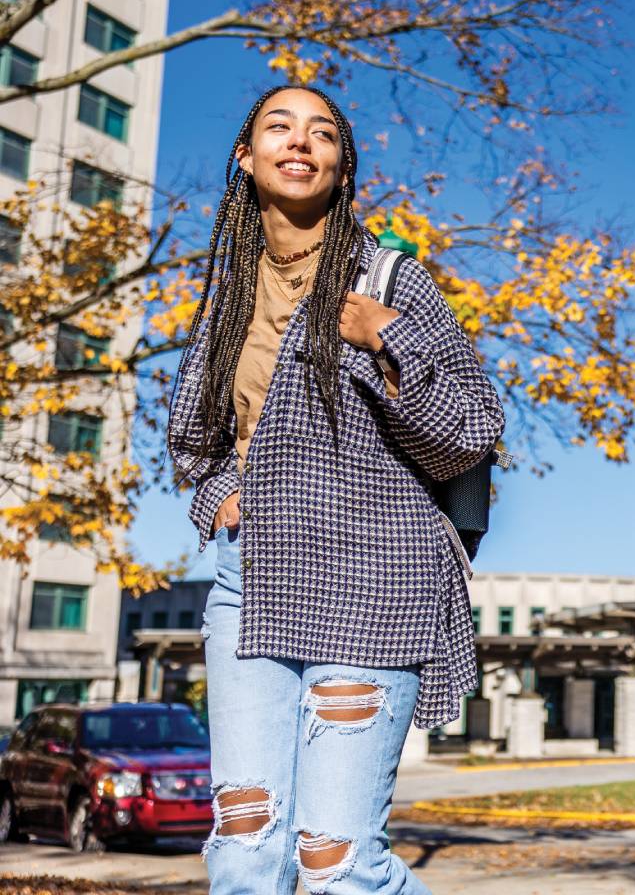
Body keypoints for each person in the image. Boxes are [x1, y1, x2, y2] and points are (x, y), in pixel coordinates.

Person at [168, 84, 504, 894]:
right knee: (247, 848)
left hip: (374, 583)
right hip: (251, 582)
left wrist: (386, 337)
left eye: (321, 132)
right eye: (278, 126)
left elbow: (470, 424)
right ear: (244, 158)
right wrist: (221, 499)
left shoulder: (391, 283)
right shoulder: (228, 296)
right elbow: (192, 435)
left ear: (341, 165)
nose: (300, 140)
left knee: (335, 864)